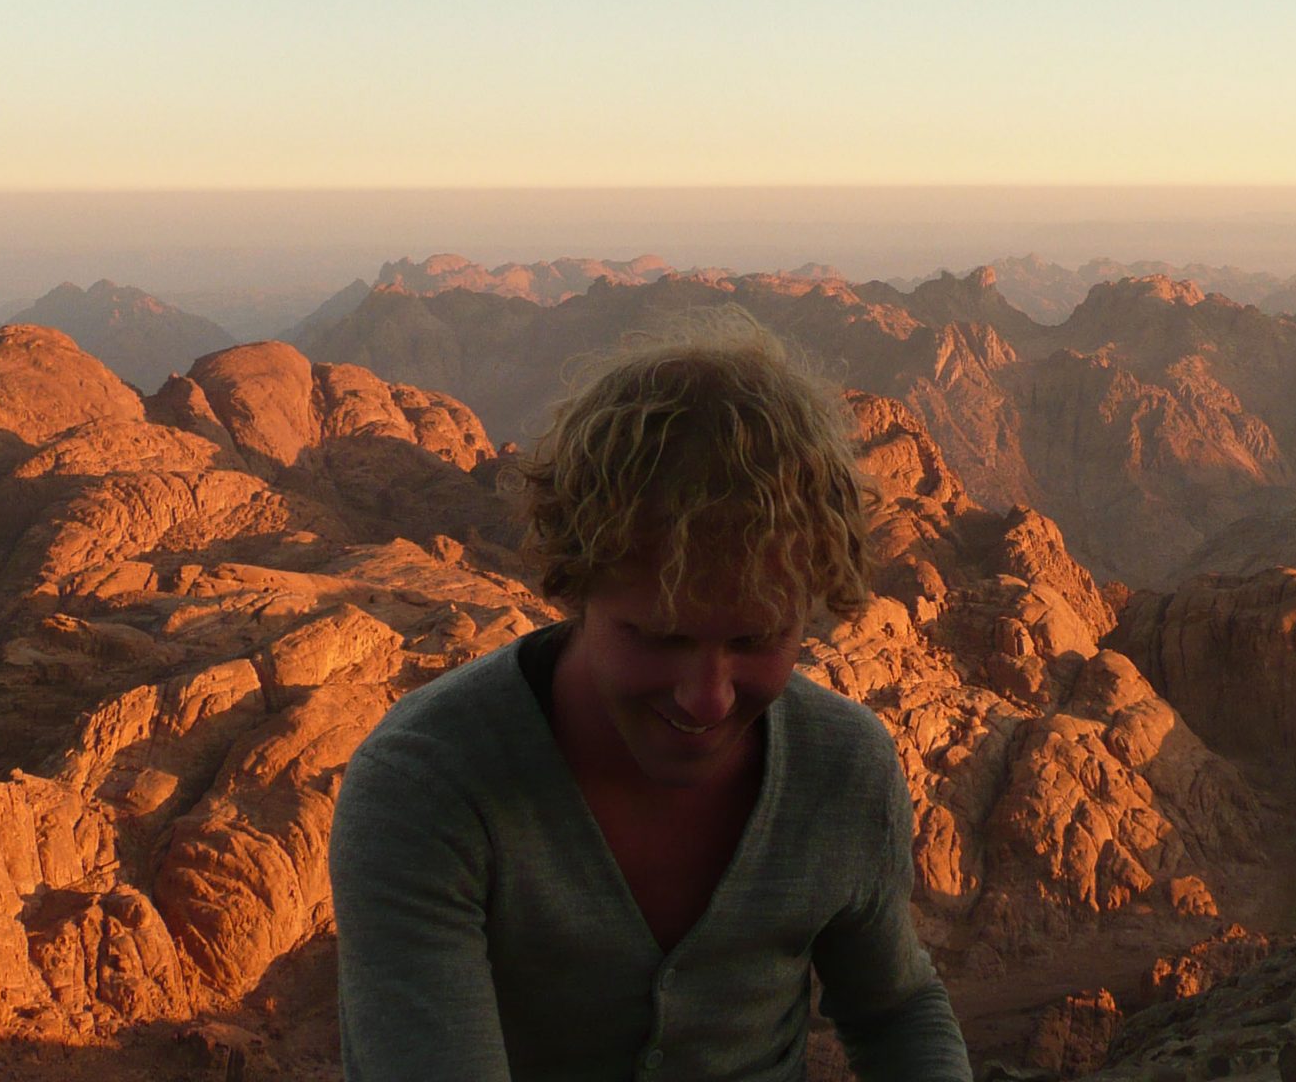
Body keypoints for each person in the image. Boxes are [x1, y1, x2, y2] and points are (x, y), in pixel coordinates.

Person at [330, 307, 972, 1081]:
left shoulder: (844, 769)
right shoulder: (430, 785)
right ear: (576, 587)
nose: (707, 699)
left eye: (754, 640)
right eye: (659, 638)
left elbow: (896, 1011)